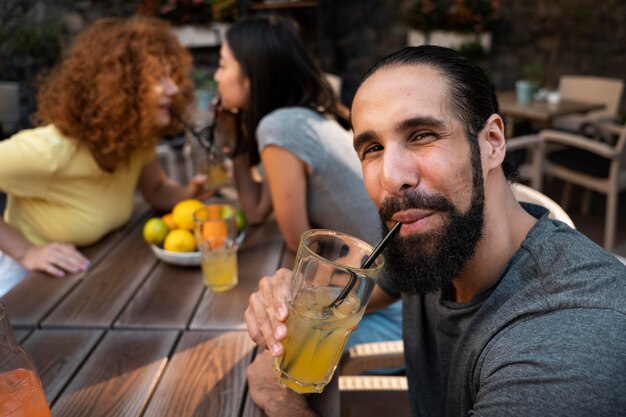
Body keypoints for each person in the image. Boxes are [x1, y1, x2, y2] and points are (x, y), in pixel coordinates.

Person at [243, 45, 626, 417]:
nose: (392, 178)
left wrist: (283, 405)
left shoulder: (565, 341)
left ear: (492, 143)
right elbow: (354, 295)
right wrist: (290, 297)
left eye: (422, 134)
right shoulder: (436, 240)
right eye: (373, 147)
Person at [214, 15, 402, 350]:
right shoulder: (302, 115)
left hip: (392, 309)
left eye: (222, 65)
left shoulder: (280, 126)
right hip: (374, 289)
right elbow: (257, 211)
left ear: (250, 75)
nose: (216, 76)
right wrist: (237, 144)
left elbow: (296, 240)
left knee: (259, 342)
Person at [0, 17, 211, 296]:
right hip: (28, 284)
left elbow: (156, 189)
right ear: (118, 87)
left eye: (173, 76)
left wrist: (190, 192)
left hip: (94, 275)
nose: (174, 89)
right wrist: (26, 252)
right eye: (159, 77)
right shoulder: (51, 152)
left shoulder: (136, 139)